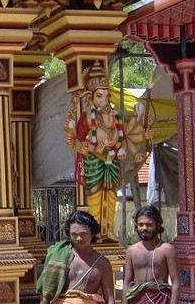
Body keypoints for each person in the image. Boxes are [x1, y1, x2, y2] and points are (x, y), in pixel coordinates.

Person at [64, 62, 149, 241]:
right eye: (99, 96)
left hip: (111, 161)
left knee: (111, 195)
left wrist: (124, 150)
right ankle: (94, 229)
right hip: (94, 162)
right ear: (92, 97)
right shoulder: (87, 117)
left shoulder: (116, 116)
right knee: (94, 194)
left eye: (106, 95)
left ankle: (108, 228)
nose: (104, 99)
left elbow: (122, 138)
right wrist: (88, 146)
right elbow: (75, 141)